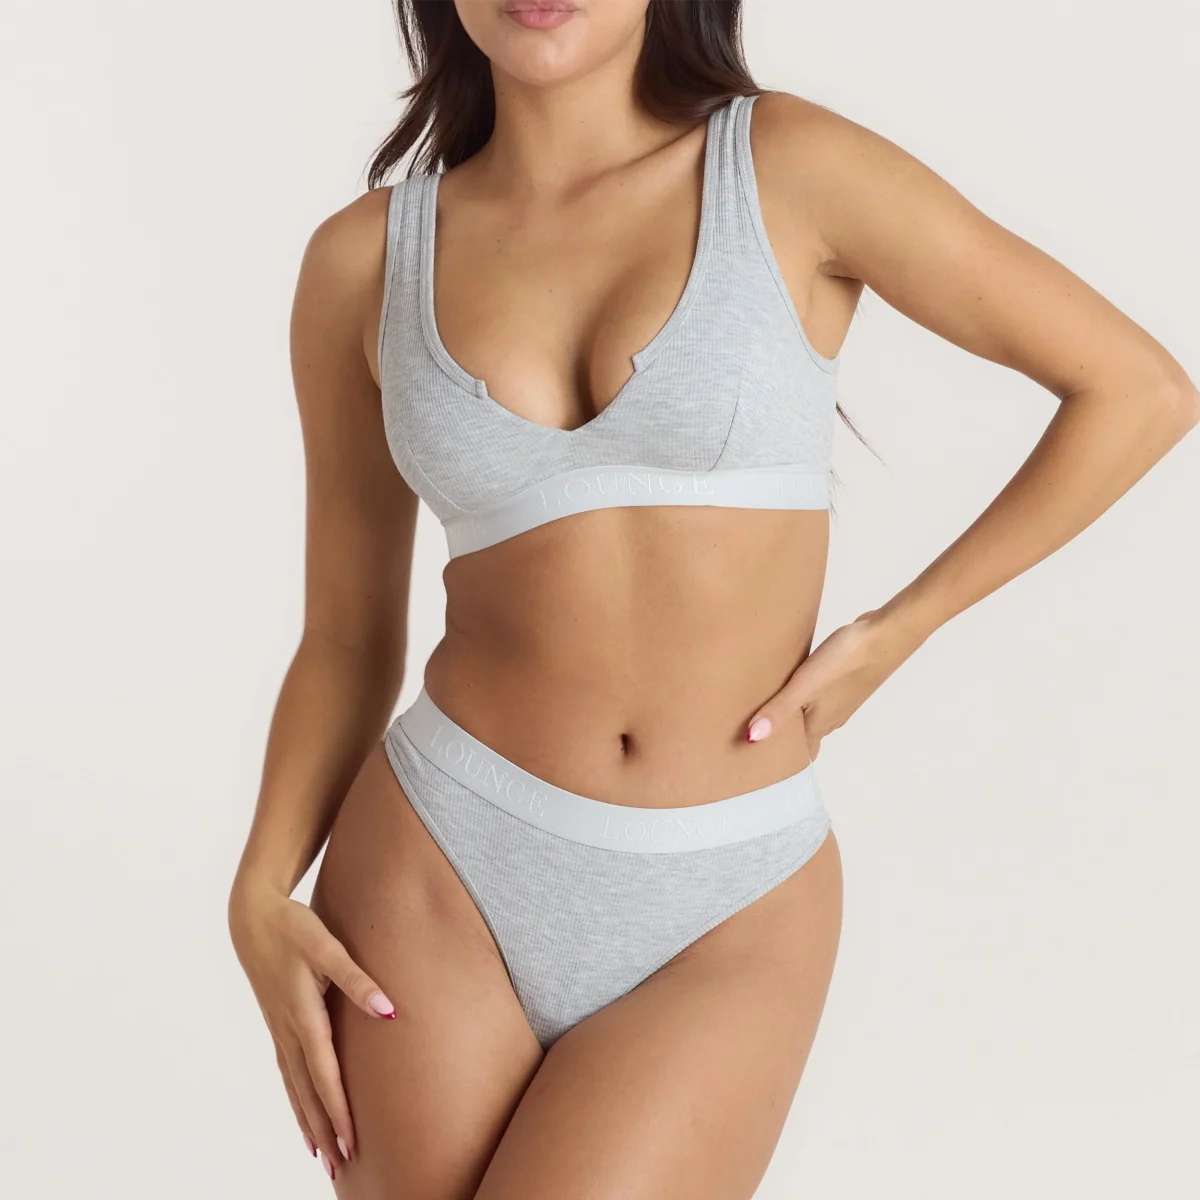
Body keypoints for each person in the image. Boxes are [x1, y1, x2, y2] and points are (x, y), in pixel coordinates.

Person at [227, 2, 1198, 1196]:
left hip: (724, 904)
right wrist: (258, 885)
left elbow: (1136, 391)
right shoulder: (365, 261)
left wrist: (897, 631)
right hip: (439, 868)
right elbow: (345, 635)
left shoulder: (789, 168)